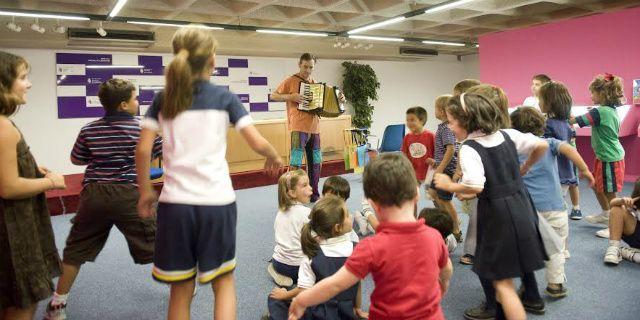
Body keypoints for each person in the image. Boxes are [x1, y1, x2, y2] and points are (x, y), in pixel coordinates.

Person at [135, 27, 283, 319]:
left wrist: (144, 193)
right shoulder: (224, 98)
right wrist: (274, 155)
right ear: (212, 60)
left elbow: (142, 151)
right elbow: (255, 141)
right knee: (223, 282)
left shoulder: (163, 98)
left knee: (180, 289)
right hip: (216, 204)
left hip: (175, 206)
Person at [44, 79, 162, 320]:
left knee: (75, 250)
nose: (138, 102)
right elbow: (162, 151)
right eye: (134, 98)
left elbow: (77, 159)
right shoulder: (143, 128)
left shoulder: (89, 128)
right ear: (122, 105)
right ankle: (179, 284)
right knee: (158, 241)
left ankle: (57, 305)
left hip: (94, 194)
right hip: (130, 193)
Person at [289, 153, 453, 320]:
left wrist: (302, 299)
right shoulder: (434, 236)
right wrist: (443, 285)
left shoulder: (371, 247)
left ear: (373, 204)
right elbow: (446, 269)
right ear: (417, 194)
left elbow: (335, 284)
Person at [434, 93, 548, 320]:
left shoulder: (469, 147)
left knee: (503, 285)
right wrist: (525, 167)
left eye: (452, 121)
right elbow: (542, 145)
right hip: (522, 206)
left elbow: (476, 185)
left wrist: (449, 184)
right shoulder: (507, 134)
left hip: (498, 217)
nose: (449, 126)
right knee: (506, 279)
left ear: (467, 120)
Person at [0, 51, 66, 320]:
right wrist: (50, 182)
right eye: (23, 77)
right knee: (22, 301)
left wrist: (31, 168)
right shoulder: (4, 127)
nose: (28, 84)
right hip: (13, 230)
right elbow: (9, 187)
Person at [510, 107, 595, 299]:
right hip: (554, 207)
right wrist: (584, 169)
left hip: (525, 209)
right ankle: (555, 285)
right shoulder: (549, 143)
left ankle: (527, 284)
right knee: (556, 248)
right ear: (541, 127)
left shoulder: (511, 149)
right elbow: (569, 149)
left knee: (524, 247)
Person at [267, 195, 359, 319]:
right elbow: (358, 283)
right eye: (348, 215)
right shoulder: (358, 250)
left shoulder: (311, 256)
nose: (351, 216)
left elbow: (303, 290)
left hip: (319, 314)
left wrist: (285, 295)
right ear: (337, 227)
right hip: (346, 314)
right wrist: (357, 309)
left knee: (274, 299)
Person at [271, 54, 344, 202]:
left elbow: (327, 101)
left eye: (311, 67)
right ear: (299, 64)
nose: (308, 70)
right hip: (298, 127)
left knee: (316, 163)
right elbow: (273, 95)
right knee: (295, 164)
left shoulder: (315, 84)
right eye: (305, 66)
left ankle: (313, 195)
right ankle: (292, 197)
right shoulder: (291, 80)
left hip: (315, 129)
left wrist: (340, 98)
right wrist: (291, 97)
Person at [570, 73, 626, 236]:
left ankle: (617, 225)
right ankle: (606, 214)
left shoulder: (599, 112)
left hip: (610, 158)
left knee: (610, 193)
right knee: (596, 184)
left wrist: (561, 114)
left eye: (593, 92)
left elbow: (574, 121)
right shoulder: (608, 110)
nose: (591, 96)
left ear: (603, 94)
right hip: (604, 156)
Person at [539, 81, 583, 221]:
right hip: (565, 172)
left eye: (540, 99)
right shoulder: (565, 123)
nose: (538, 102)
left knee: (552, 208)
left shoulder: (548, 124)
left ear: (549, 103)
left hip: (555, 173)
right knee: (558, 203)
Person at [268, 170, 312, 287]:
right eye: (305, 185)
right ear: (292, 193)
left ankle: (276, 271)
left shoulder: (280, 213)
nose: (311, 188)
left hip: (279, 264)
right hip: (302, 268)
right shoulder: (307, 213)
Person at [427, 95, 461, 242]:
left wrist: (440, 168)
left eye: (435, 108)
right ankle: (446, 220)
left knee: (445, 200)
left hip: (447, 169)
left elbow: (451, 149)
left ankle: (456, 228)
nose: (434, 110)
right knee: (433, 193)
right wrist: (436, 163)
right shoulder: (442, 127)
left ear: (442, 111)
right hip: (441, 167)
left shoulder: (447, 128)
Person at [603, 178, 640, 266]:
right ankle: (614, 247)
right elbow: (612, 203)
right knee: (617, 208)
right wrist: (622, 201)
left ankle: (628, 253)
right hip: (635, 234)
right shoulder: (635, 203)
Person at [402, 106, 435, 188]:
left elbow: (438, 152)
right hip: (413, 172)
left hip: (429, 172)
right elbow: (404, 153)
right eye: (407, 120)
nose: (409, 123)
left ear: (422, 120)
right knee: (411, 194)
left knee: (433, 196)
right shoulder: (407, 137)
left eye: (412, 120)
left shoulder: (430, 136)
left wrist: (435, 162)